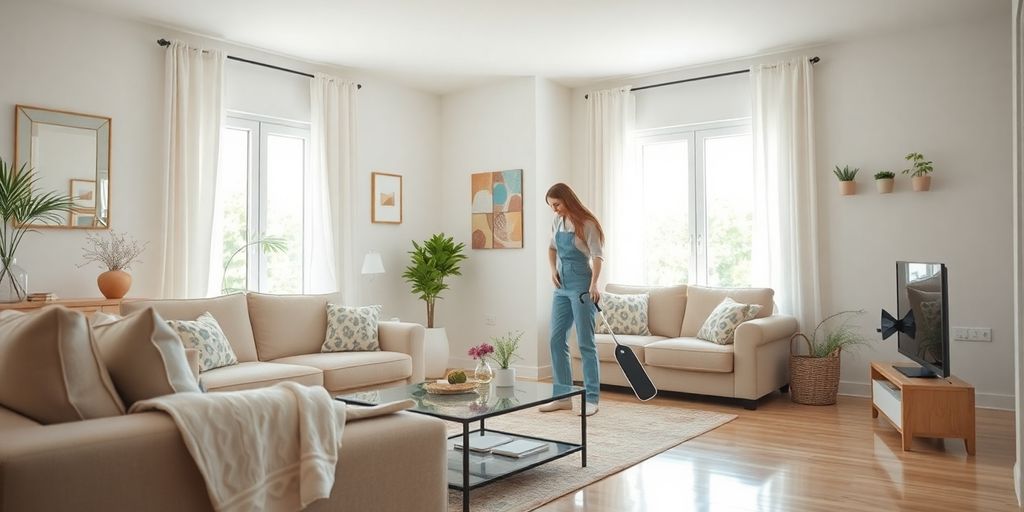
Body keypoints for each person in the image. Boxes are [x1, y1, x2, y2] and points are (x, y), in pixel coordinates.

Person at [540, 182, 603, 416]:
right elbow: (551, 248)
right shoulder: (557, 221)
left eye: (557, 204)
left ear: (567, 200)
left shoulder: (588, 224)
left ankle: (592, 398)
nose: (555, 209)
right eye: (552, 206)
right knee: (556, 340)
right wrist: (551, 270)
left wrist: (594, 283)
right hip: (561, 287)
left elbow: (597, 256)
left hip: (582, 286)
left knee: (586, 343)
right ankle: (563, 397)